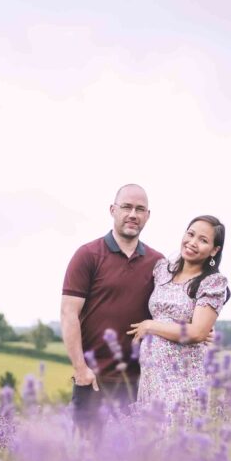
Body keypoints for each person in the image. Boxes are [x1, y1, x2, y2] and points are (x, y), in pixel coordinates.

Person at [60, 184, 165, 431]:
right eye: (126, 207)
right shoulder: (87, 255)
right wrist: (81, 370)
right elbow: (68, 314)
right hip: (94, 381)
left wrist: (200, 327)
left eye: (140, 209)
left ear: (147, 216)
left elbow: (177, 300)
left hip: (139, 385)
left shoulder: (158, 263)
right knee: (87, 460)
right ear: (112, 210)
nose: (133, 214)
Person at [127, 215, 229, 414]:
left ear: (214, 250)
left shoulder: (213, 282)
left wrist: (150, 326)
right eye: (190, 234)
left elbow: (198, 332)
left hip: (183, 378)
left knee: (176, 435)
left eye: (203, 240)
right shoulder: (162, 270)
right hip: (152, 375)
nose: (192, 243)